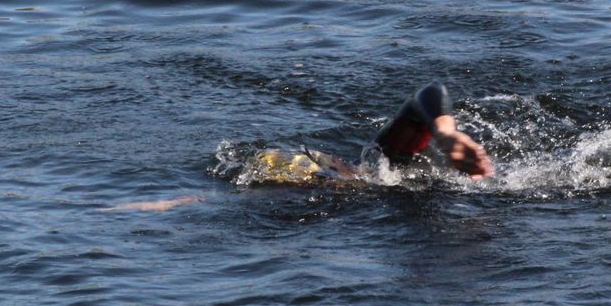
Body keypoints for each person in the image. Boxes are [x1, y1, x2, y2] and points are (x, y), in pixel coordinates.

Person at [104, 81, 493, 211]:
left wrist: (445, 133)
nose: (326, 178)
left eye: (324, 173)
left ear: (339, 164)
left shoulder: (387, 166)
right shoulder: (384, 180)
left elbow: (430, 93)